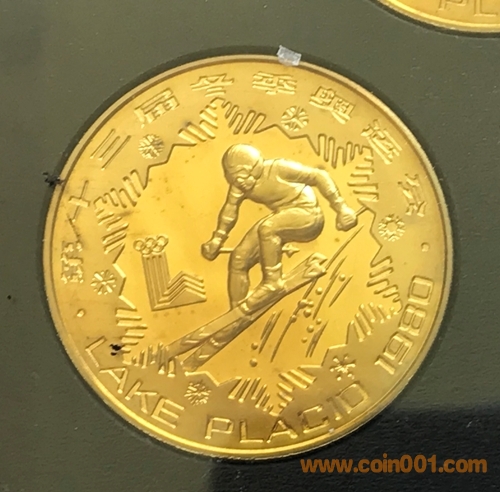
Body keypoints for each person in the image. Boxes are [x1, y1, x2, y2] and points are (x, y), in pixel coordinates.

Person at [201, 144, 358, 312]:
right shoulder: (239, 186)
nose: (240, 183)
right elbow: (230, 209)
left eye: (243, 175)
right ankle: (236, 309)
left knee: (267, 228)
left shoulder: (278, 168)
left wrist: (341, 208)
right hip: (281, 217)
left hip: (309, 216)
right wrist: (218, 239)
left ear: (255, 168)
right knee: (238, 257)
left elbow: (319, 175)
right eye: (233, 178)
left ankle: (273, 282)